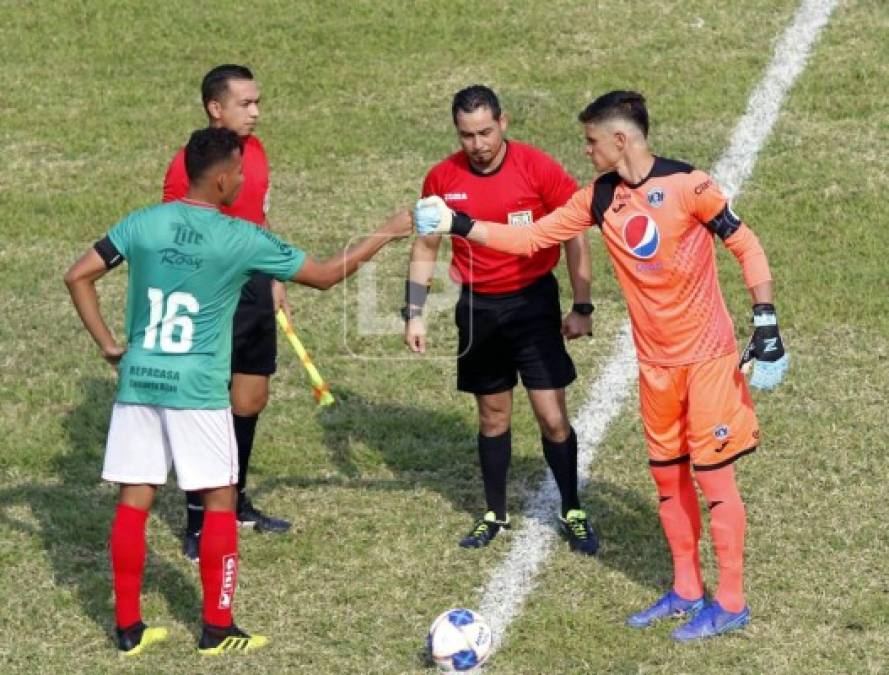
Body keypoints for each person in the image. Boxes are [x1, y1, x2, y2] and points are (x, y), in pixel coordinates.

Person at [414, 90, 789, 641]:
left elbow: (746, 243)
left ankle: (730, 600)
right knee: (667, 479)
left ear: (620, 140)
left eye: (591, 141)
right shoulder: (599, 198)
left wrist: (765, 320)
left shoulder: (690, 185)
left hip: (706, 360)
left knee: (713, 480)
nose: (585, 151)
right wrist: (461, 223)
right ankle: (686, 588)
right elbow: (532, 238)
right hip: (655, 368)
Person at [64, 127, 411, 655]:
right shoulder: (239, 237)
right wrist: (386, 232)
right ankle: (217, 628)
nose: (245, 180)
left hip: (139, 383)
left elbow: (77, 276)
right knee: (221, 500)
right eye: (240, 173)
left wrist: (110, 344)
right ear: (223, 178)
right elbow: (322, 275)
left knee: (134, 502)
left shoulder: (143, 223)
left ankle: (129, 629)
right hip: (198, 392)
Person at [404, 85, 598, 555]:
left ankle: (572, 508)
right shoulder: (441, 179)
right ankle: (495, 513)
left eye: (486, 131)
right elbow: (426, 246)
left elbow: (574, 235)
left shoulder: (538, 168)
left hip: (533, 304)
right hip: (478, 308)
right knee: (493, 417)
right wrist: (413, 312)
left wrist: (582, 305)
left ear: (503, 123)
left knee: (552, 418)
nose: (479, 144)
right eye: (467, 135)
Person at [163, 64, 289, 560]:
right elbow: (174, 235)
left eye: (257, 102)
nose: (256, 112)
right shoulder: (186, 166)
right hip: (210, 295)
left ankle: (234, 499)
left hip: (254, 287)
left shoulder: (254, 152)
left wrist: (274, 278)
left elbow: (257, 215)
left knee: (249, 398)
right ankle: (199, 518)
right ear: (216, 108)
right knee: (207, 407)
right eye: (245, 104)